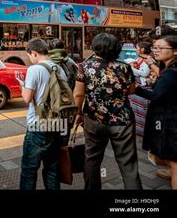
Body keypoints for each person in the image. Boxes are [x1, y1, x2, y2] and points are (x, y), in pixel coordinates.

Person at [74, 33, 142, 190]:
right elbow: (131, 91)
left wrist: (78, 114)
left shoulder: (84, 66)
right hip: (122, 121)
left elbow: (78, 94)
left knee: (92, 158)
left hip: (93, 119)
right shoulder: (125, 67)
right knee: (128, 163)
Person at [18, 38, 67, 190]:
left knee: (29, 169)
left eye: (29, 56)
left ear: (33, 53)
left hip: (38, 125)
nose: (30, 60)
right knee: (52, 169)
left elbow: (27, 98)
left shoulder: (34, 69)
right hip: (57, 124)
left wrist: (22, 86)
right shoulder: (59, 68)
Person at [135, 36, 177, 189]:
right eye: (155, 47)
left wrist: (135, 89)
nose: (156, 50)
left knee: (174, 163)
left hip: (170, 122)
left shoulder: (170, 73)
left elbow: (156, 96)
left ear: (175, 51)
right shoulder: (168, 69)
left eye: (161, 48)